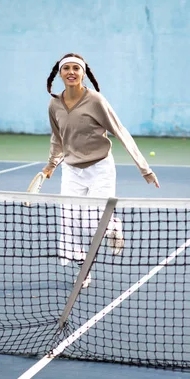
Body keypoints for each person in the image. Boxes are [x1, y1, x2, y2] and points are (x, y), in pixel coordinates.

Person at [42, 53, 159, 288]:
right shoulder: (54, 104)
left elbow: (120, 131)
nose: (72, 72)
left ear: (83, 73)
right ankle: (83, 270)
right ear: (60, 73)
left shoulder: (95, 100)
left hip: (100, 167)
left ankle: (113, 226)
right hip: (71, 170)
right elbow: (58, 137)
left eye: (77, 68)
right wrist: (52, 163)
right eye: (67, 69)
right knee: (68, 222)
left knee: (91, 222)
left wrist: (144, 168)